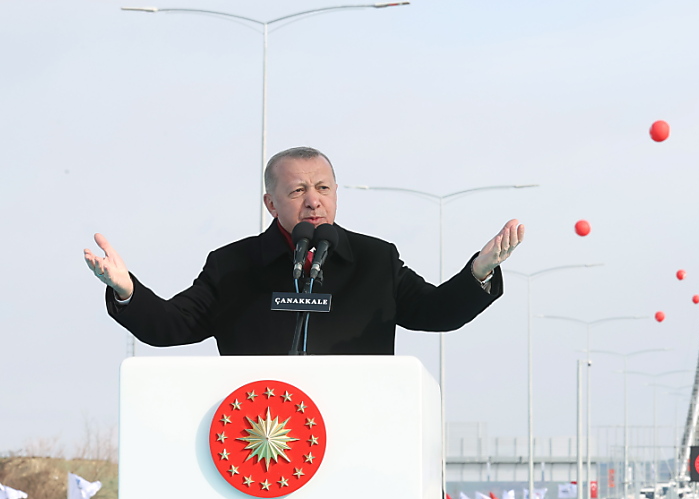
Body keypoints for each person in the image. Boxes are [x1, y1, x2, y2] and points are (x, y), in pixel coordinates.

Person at [85, 147, 525, 355]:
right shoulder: (233, 266)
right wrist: (127, 291)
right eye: (297, 190)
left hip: (358, 433)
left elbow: (434, 313)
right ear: (270, 203)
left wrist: (479, 273)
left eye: (323, 188)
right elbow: (171, 326)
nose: (313, 200)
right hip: (260, 439)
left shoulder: (375, 261)